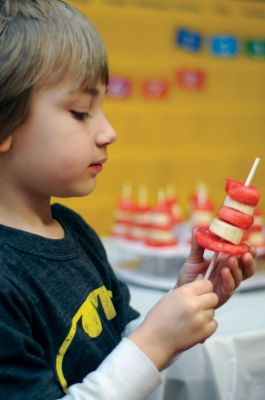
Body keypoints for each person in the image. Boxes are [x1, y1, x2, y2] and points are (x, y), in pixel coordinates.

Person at [0, 1, 255, 399]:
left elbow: (117, 351)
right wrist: (153, 342)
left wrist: (178, 305)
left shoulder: (75, 232)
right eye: (81, 112)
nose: (109, 132)